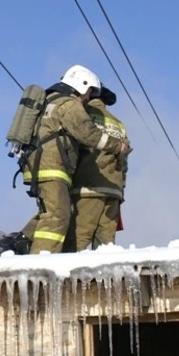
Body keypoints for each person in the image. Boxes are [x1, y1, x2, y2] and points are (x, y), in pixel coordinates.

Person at [21, 65, 130, 254]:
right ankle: (39, 261)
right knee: (59, 218)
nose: (87, 98)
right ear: (82, 85)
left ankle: (26, 247)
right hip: (103, 187)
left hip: (68, 179)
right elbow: (90, 136)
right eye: (88, 92)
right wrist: (117, 149)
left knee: (62, 224)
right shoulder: (74, 107)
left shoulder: (53, 102)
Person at [65, 86, 130, 251]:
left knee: (77, 240)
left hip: (88, 188)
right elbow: (124, 162)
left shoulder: (83, 115)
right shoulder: (119, 124)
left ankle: (68, 276)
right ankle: (103, 278)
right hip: (113, 191)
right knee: (106, 246)